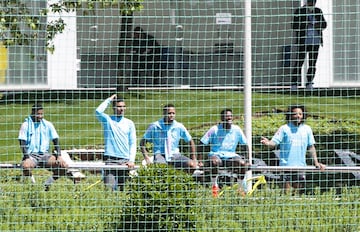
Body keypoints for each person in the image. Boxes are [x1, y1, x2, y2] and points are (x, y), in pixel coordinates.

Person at [260, 105, 325, 194]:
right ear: (290, 115)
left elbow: (311, 147)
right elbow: (274, 143)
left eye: (300, 114)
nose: (298, 116)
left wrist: (316, 162)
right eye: (295, 114)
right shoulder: (284, 129)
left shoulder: (307, 129)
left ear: (303, 115)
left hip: (300, 167)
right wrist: (268, 143)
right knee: (286, 193)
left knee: (297, 193)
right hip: (286, 166)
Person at [198, 109, 250, 197]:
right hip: (216, 155)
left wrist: (247, 159)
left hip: (231, 156)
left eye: (230, 117)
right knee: (215, 162)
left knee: (242, 163)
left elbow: (245, 145)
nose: (229, 118)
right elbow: (202, 143)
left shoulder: (237, 129)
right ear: (222, 119)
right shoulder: (214, 129)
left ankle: (241, 188)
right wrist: (199, 160)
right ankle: (214, 186)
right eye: (226, 117)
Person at [18, 103, 68, 190]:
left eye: (42, 114)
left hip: (45, 155)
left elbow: (55, 140)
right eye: (38, 114)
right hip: (31, 155)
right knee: (25, 166)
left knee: (64, 166)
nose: (40, 116)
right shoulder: (25, 125)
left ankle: (47, 184)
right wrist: (26, 157)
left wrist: (59, 155)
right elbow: (22, 142)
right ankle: (34, 185)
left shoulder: (48, 124)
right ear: (33, 113)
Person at [140, 104, 201, 173]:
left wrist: (193, 157)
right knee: (161, 169)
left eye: (173, 113)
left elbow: (190, 141)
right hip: (160, 154)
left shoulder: (179, 126)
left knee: (192, 165)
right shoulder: (155, 126)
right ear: (164, 114)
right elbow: (142, 142)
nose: (171, 115)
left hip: (175, 154)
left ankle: (184, 180)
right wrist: (146, 157)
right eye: (169, 113)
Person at [96, 94, 137, 190]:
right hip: (110, 159)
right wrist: (109, 99)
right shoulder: (108, 120)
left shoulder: (129, 123)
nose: (121, 109)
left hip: (124, 160)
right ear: (114, 107)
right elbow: (98, 111)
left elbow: (133, 143)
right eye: (119, 106)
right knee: (110, 188)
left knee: (124, 189)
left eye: (123, 106)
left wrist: (131, 160)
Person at [291, 0, 327, 90]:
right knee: (299, 62)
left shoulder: (318, 11)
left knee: (312, 63)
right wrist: (306, 24)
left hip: (315, 41)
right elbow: (294, 25)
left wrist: (317, 25)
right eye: (310, 2)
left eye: (313, 3)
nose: (311, 4)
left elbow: (324, 24)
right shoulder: (299, 11)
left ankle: (309, 82)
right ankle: (294, 83)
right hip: (303, 41)